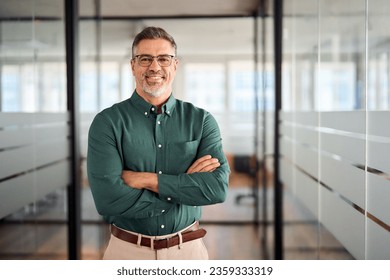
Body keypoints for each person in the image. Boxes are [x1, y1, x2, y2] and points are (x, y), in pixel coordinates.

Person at [87, 26, 230, 260]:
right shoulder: (108, 123)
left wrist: (147, 180)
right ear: (133, 66)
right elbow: (108, 199)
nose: (155, 67)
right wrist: (183, 189)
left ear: (175, 65)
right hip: (127, 252)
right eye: (145, 59)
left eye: (164, 58)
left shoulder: (202, 121)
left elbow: (217, 188)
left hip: (189, 252)